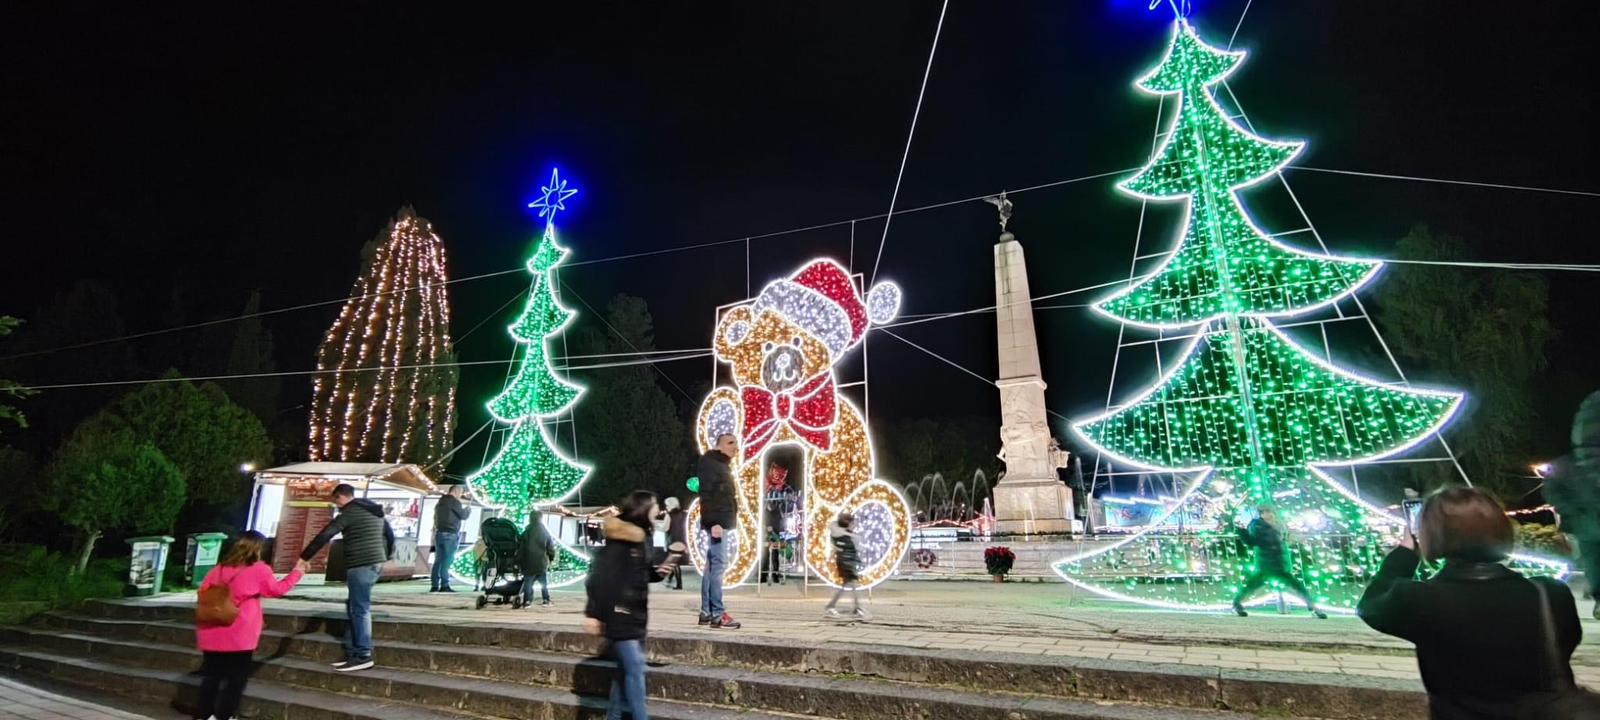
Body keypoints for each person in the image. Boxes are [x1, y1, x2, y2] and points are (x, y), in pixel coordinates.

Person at [1359, 486, 1584, 718]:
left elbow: (1371, 605)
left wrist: (1405, 553)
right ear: (1502, 529)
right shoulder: (1549, 594)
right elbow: (1566, 644)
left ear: (1431, 536)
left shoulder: (1418, 599)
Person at [584, 491, 686, 720]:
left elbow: (645, 574)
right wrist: (593, 613)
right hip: (620, 614)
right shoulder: (620, 539)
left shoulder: (640, 539)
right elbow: (598, 578)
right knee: (635, 670)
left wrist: (669, 560)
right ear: (642, 509)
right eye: (654, 506)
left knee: (623, 678)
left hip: (636, 616)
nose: (657, 511)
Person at [194, 531, 305, 720]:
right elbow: (276, 590)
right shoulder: (259, 569)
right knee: (236, 680)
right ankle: (225, 716)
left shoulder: (219, 569)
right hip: (239, 634)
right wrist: (297, 573)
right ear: (260, 549)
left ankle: (205, 715)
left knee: (211, 677)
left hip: (211, 629)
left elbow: (203, 591)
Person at [299, 483, 394, 673]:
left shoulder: (349, 513)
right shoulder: (373, 510)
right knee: (354, 605)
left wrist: (305, 557)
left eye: (336, 501)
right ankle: (354, 651)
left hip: (361, 563)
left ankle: (363, 654)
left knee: (360, 608)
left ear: (340, 497)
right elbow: (389, 534)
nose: (336, 505)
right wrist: (388, 555)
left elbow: (326, 533)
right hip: (375, 562)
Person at [1545, 391, 1600, 609]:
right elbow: (1554, 489)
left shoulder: (1566, 465)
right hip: (1586, 522)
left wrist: (1572, 512)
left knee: (1593, 562)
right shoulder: (1567, 466)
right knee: (1593, 562)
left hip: (1585, 522)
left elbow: (1553, 489)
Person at [1230, 506, 1327, 619]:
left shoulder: (1274, 527)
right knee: (1252, 586)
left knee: (1253, 586)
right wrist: (1241, 530)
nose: (1270, 514)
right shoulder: (1258, 526)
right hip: (1267, 563)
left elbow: (1275, 542)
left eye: (1270, 511)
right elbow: (1252, 542)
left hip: (1276, 563)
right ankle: (1236, 605)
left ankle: (1313, 608)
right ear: (1261, 514)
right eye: (1266, 512)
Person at [697, 433, 741, 629]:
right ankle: (718, 614)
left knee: (711, 567)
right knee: (718, 566)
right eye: (730, 443)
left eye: (736, 443)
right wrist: (714, 522)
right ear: (719, 446)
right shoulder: (711, 464)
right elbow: (707, 494)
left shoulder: (720, 465)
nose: (735, 446)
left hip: (720, 521)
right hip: (718, 523)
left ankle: (706, 612)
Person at [824, 511, 869, 620]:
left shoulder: (837, 533)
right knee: (853, 585)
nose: (854, 524)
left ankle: (832, 606)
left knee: (846, 586)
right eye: (852, 522)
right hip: (847, 562)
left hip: (844, 561)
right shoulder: (846, 536)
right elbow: (852, 549)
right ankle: (858, 609)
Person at [431, 484, 470, 593]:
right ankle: (444, 585)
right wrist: (467, 510)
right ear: (456, 491)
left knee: (438, 560)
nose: (461, 495)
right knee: (447, 560)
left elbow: (435, 518)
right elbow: (463, 516)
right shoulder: (454, 502)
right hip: (451, 533)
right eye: (461, 492)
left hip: (439, 533)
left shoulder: (440, 503)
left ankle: (434, 585)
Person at [520, 509, 557, 607]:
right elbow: (550, 548)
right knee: (544, 583)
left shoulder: (526, 531)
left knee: (528, 583)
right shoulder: (545, 532)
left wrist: (519, 559)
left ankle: (527, 601)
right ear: (541, 518)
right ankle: (546, 599)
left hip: (528, 561)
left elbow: (521, 547)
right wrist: (551, 557)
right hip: (541, 562)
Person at [664, 497, 686, 590]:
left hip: (673, 540)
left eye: (667, 505)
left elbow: (665, 528)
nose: (666, 507)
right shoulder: (684, 514)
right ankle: (669, 579)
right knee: (675, 561)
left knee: (675, 563)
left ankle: (679, 585)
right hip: (682, 540)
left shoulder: (669, 515)